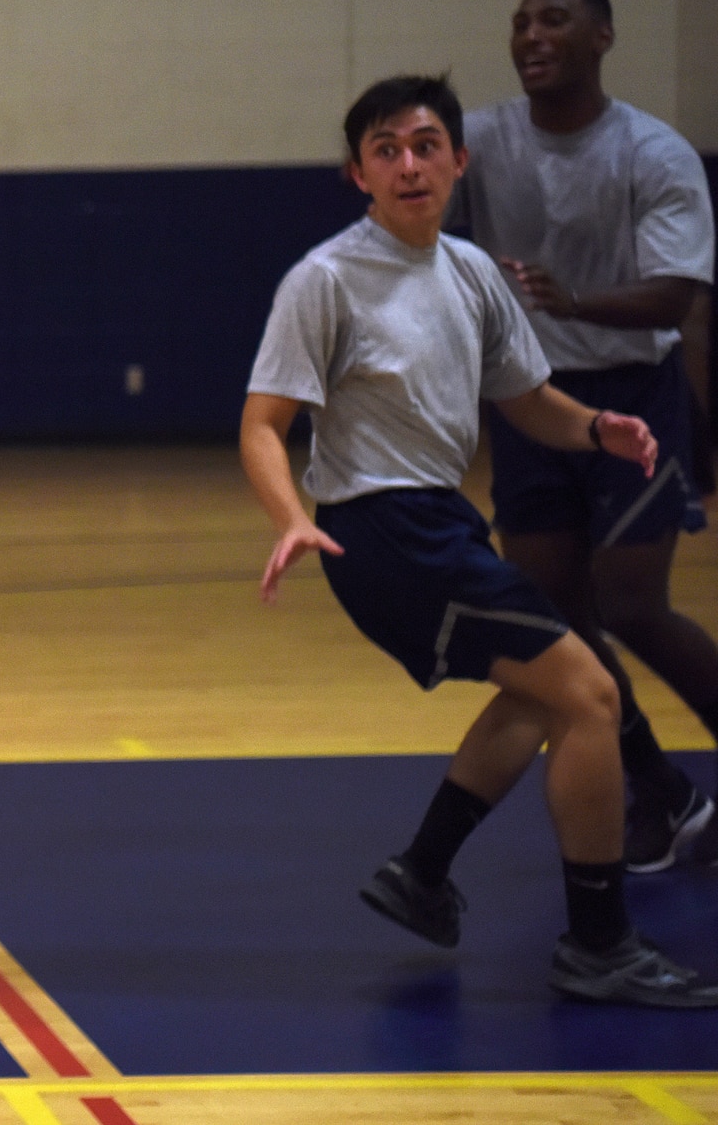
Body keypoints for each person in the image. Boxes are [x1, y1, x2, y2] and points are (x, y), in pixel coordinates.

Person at [241, 73, 718, 1007]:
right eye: (386, 149)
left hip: (441, 524)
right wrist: (292, 515)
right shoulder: (326, 280)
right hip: (380, 530)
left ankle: (422, 870)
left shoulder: (469, 273)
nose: (408, 163)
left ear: (459, 160)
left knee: (546, 699)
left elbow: (526, 398)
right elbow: (262, 423)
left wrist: (595, 428)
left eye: (425, 145)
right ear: (359, 174)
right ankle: (599, 941)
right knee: (589, 689)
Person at [451, 0, 718, 873]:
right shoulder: (480, 140)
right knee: (555, 616)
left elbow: (678, 293)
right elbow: (410, 182)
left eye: (553, 19)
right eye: (520, 20)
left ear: (602, 35)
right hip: (530, 403)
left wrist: (577, 300)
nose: (531, 33)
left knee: (631, 601)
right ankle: (664, 790)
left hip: (631, 396)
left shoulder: (654, 151)